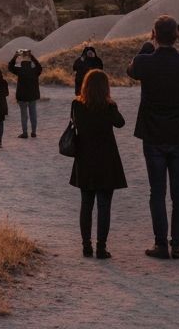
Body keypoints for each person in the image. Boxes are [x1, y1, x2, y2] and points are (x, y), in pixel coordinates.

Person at [127, 14, 179, 259]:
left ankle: (161, 244)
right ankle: (178, 245)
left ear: (154, 34)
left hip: (153, 136)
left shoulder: (145, 62)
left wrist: (147, 45)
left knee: (157, 192)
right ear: (176, 35)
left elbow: (131, 69)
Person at [70, 69, 128, 260]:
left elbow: (76, 124)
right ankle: (101, 248)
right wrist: (112, 104)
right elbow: (120, 123)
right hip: (106, 160)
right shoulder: (109, 107)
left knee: (86, 205)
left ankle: (86, 246)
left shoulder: (77, 105)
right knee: (104, 206)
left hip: (85, 159)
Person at [8, 49, 43, 138]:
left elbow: (10, 67)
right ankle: (33, 132)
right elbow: (39, 66)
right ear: (30, 62)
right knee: (33, 114)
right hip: (33, 95)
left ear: (22, 63)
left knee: (24, 115)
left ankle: (25, 133)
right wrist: (32, 56)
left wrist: (15, 56)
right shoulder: (34, 70)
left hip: (22, 96)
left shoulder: (20, 70)